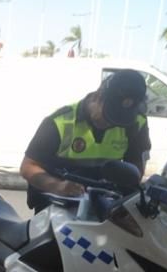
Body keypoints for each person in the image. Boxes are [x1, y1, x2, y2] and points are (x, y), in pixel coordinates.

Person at [20, 69, 150, 211]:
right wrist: (57, 186)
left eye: (118, 120)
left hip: (105, 207)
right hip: (56, 208)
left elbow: (136, 168)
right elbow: (28, 167)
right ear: (98, 96)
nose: (111, 124)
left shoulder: (135, 123)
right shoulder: (61, 122)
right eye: (108, 116)